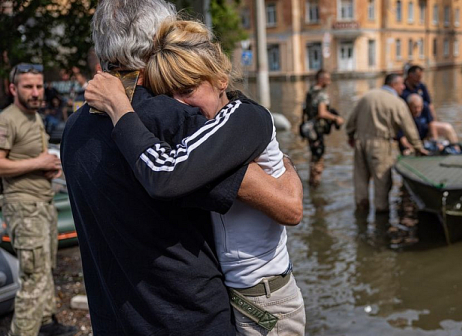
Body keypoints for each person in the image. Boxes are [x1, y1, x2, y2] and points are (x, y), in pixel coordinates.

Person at [61, 1, 302, 335]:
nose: (180, 98)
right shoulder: (170, 117)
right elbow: (284, 202)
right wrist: (287, 167)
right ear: (161, 40)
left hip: (114, 320)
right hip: (188, 319)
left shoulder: (75, 127)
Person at [0, 64, 75, 336]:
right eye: (28, 86)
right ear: (13, 89)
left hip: (43, 203)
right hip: (23, 206)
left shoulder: (34, 117)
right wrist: (38, 162)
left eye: (39, 86)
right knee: (33, 275)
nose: (35, 92)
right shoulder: (7, 119)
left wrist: (49, 168)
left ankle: (44, 323)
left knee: (45, 267)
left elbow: (28, 160)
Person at [346, 73, 426, 212]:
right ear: (393, 84)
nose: (403, 87)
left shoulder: (366, 96)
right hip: (380, 144)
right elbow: (409, 128)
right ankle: (381, 216)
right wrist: (418, 147)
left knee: (360, 180)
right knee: (382, 182)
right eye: (401, 84)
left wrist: (351, 136)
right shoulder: (397, 102)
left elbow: (351, 121)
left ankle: (361, 210)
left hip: (360, 143)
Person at [302, 69, 344, 187]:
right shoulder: (321, 94)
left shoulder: (310, 91)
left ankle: (311, 183)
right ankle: (316, 185)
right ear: (321, 79)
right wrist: (336, 118)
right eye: (327, 79)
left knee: (313, 156)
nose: (329, 82)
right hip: (317, 130)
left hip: (309, 129)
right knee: (318, 158)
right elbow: (322, 113)